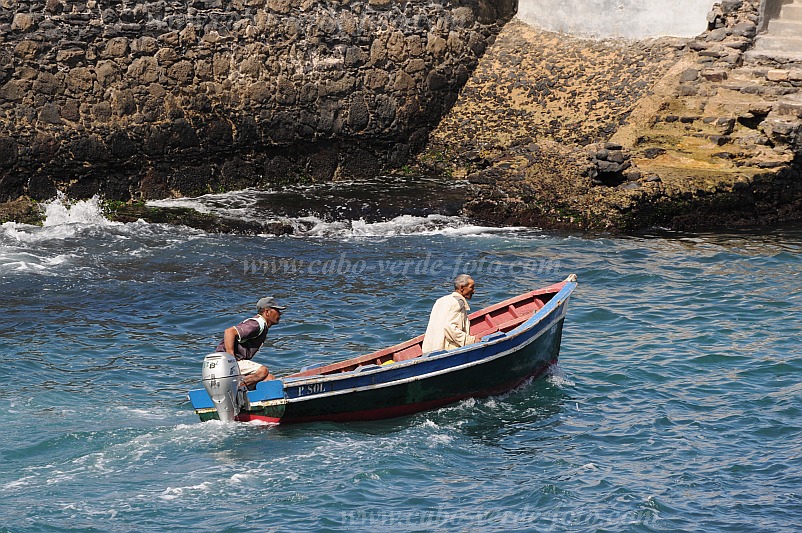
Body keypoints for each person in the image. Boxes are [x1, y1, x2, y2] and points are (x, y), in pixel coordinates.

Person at [215, 296, 285, 388]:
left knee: (269, 379)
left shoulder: (262, 325)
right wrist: (231, 359)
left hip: (229, 363)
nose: (280, 314)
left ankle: (247, 395)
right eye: (277, 310)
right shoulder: (257, 324)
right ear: (267, 312)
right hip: (225, 362)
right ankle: (237, 388)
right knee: (262, 371)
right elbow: (229, 332)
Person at [421, 274, 477, 354]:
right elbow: (450, 328)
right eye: (471, 287)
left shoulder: (441, 300)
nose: (474, 291)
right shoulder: (458, 303)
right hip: (445, 351)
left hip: (429, 350)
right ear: (461, 288)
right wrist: (471, 341)